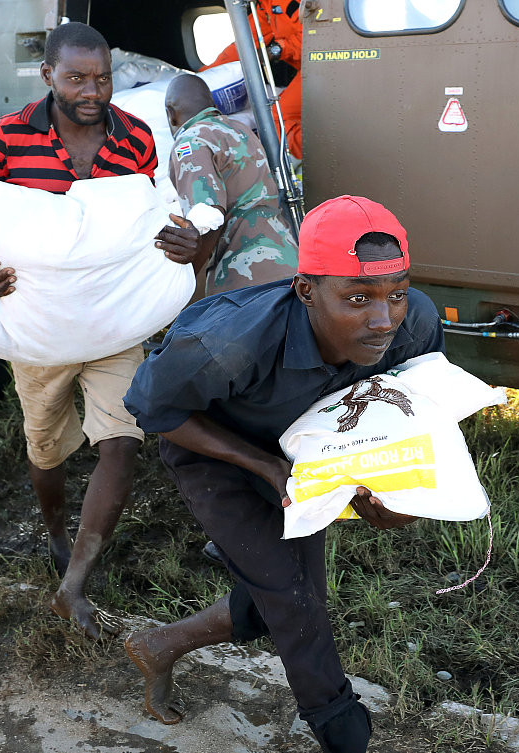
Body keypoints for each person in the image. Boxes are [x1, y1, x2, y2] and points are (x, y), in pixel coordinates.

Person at [122, 196, 445, 752]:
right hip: (217, 455)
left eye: (395, 294)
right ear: (305, 291)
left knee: (291, 596)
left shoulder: (414, 320)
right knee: (295, 603)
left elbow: (408, 407)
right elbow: (156, 411)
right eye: (357, 298)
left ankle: (159, 644)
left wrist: (389, 488)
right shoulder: (226, 344)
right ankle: (345, 734)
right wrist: (265, 465)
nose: (382, 319)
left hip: (302, 454)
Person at [0, 21, 205, 639]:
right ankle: (58, 531)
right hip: (36, 325)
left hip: (114, 320)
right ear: (47, 76)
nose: (93, 91)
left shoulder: (136, 137)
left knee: (122, 439)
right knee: (46, 449)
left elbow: (148, 218)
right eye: (76, 78)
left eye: (103, 77)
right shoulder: (4, 138)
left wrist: (180, 241)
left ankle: (75, 583)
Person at [164, 74, 298, 296]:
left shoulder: (190, 141)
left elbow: (207, 218)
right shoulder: (242, 131)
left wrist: (183, 284)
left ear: (171, 114)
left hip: (244, 278)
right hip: (288, 261)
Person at [202, 0, 303, 159]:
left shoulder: (286, 2)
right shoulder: (265, 6)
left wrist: (278, 49)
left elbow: (317, 35)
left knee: (278, 120)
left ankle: (332, 154)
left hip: (324, 65)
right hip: (309, 69)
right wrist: (201, 75)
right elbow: (245, 43)